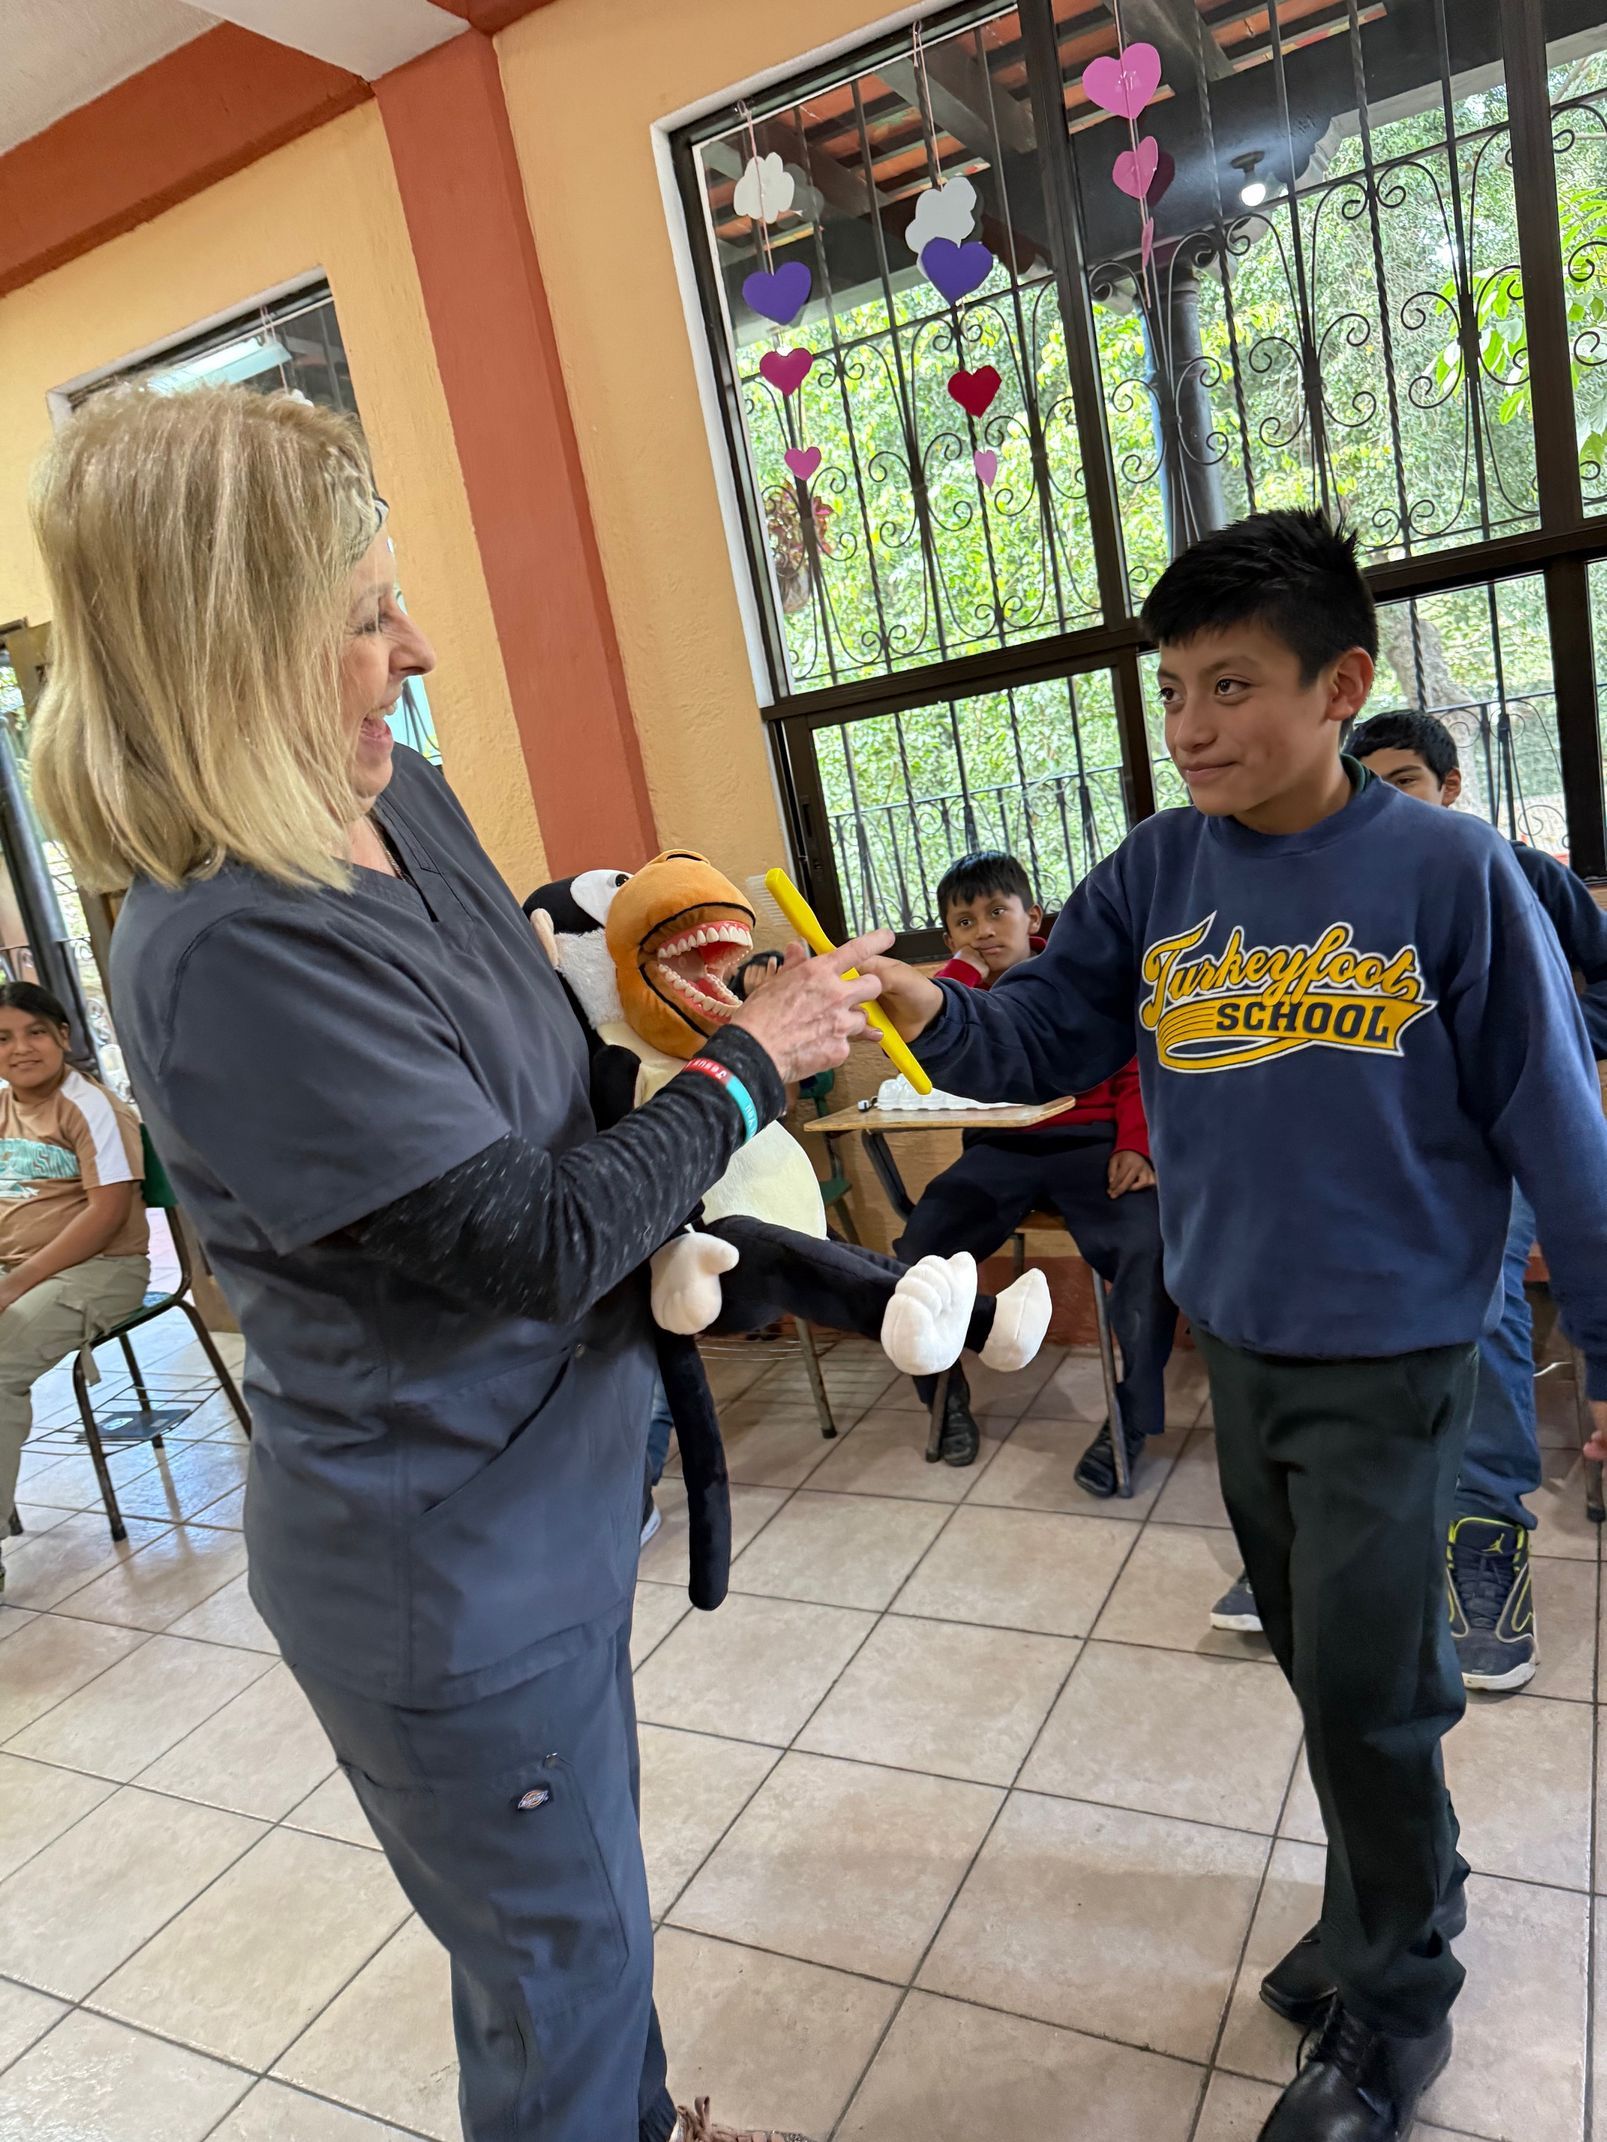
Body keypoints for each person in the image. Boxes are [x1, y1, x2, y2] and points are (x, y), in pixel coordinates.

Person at [28, 382, 887, 2142]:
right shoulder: (233, 945)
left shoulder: (395, 794)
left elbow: (543, 1073)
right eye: (363, 617)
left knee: (582, 1928)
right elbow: (534, 1236)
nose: (412, 651)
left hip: (552, 1493)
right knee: (553, 1976)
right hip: (446, 1564)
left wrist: (683, 1023)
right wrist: (750, 1069)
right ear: (228, 648)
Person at [859, 509, 1607, 2142]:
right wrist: (921, 1004)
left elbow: (1561, 1130)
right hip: (1244, 1351)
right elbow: (1038, 1032)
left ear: (1337, 685)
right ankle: (1392, 1894)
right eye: (1173, 690)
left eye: (1230, 686)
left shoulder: (1452, 876)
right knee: (1324, 1662)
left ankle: (1394, 2003)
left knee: (1369, 1684)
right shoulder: (1158, 866)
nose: (1190, 727)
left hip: (1396, 1357)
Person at [1211, 707, 1607, 1690]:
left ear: (1450, 787)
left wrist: (1546, 1037)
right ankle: (1315, 1525)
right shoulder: (1329, 884)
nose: (1382, 802)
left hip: (1487, 1150)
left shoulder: (1510, 872)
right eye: (1367, 783)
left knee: (1483, 1292)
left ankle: (1483, 1534)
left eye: (1405, 782)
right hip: (1365, 1155)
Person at [894, 851, 1173, 1481]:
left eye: (997, 913)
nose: (984, 931)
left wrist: (1137, 1144)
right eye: (965, 923)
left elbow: (1136, 1069)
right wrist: (962, 972)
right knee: (918, 1253)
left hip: (1092, 1146)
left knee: (1148, 1244)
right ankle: (943, 1397)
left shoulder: (1078, 981)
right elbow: (924, 1047)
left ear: (1033, 917)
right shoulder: (954, 995)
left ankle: (1132, 1416)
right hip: (999, 1152)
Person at [0, 981, 149, 1587]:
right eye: (3, 1038)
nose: (20, 1048)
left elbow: (106, 1215)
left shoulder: (90, 1106)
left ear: (64, 1036)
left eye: (35, 1032)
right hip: (17, 1269)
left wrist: (14, 1285)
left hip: (102, 1269)